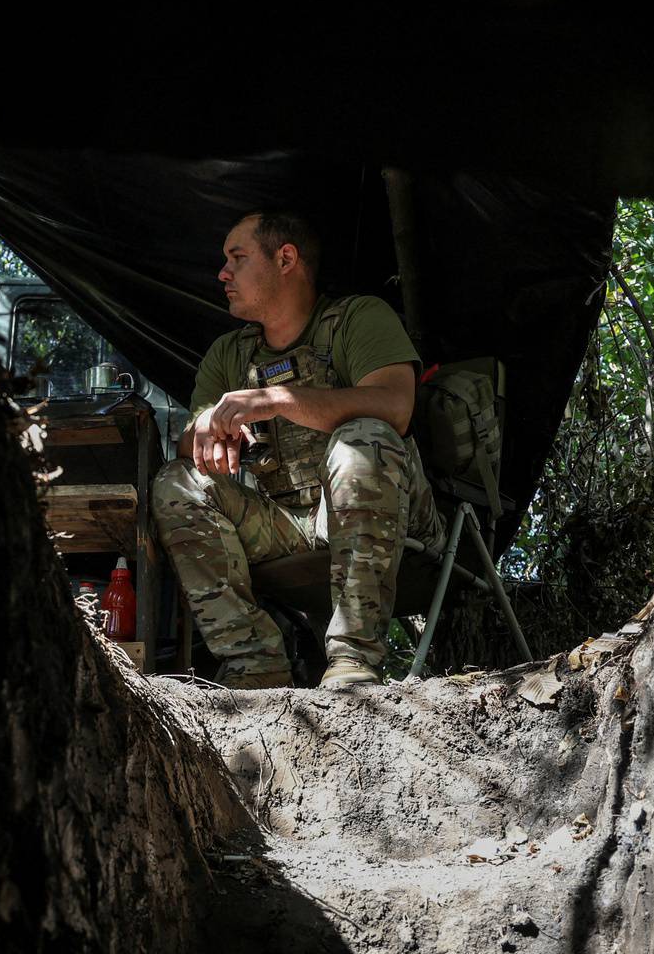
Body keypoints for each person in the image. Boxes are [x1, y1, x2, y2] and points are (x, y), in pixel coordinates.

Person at [152, 210, 446, 689]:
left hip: (396, 518)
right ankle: (255, 663)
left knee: (363, 439)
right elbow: (189, 438)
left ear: (285, 258)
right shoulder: (231, 353)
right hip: (290, 524)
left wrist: (276, 399)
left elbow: (395, 407)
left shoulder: (357, 318)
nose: (222, 273)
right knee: (176, 481)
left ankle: (353, 660)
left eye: (237, 257)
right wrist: (207, 424)